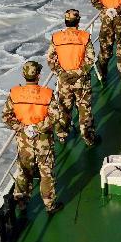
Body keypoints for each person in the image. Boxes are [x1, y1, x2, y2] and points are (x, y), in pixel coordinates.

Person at [1, 61, 63, 214]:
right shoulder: (47, 94)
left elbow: (6, 116)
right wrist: (37, 127)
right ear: (39, 75)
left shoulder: (14, 94)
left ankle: (21, 202)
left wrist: (23, 127)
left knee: (24, 171)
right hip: (43, 140)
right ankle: (50, 205)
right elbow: (56, 115)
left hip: (24, 140)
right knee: (46, 172)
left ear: (24, 75)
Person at [47, 9, 99, 146]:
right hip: (81, 81)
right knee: (84, 109)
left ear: (65, 21)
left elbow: (51, 60)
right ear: (78, 21)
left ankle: (62, 135)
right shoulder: (84, 37)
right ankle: (88, 137)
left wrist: (62, 73)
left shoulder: (56, 38)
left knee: (64, 108)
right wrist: (77, 73)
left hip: (64, 81)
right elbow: (90, 59)